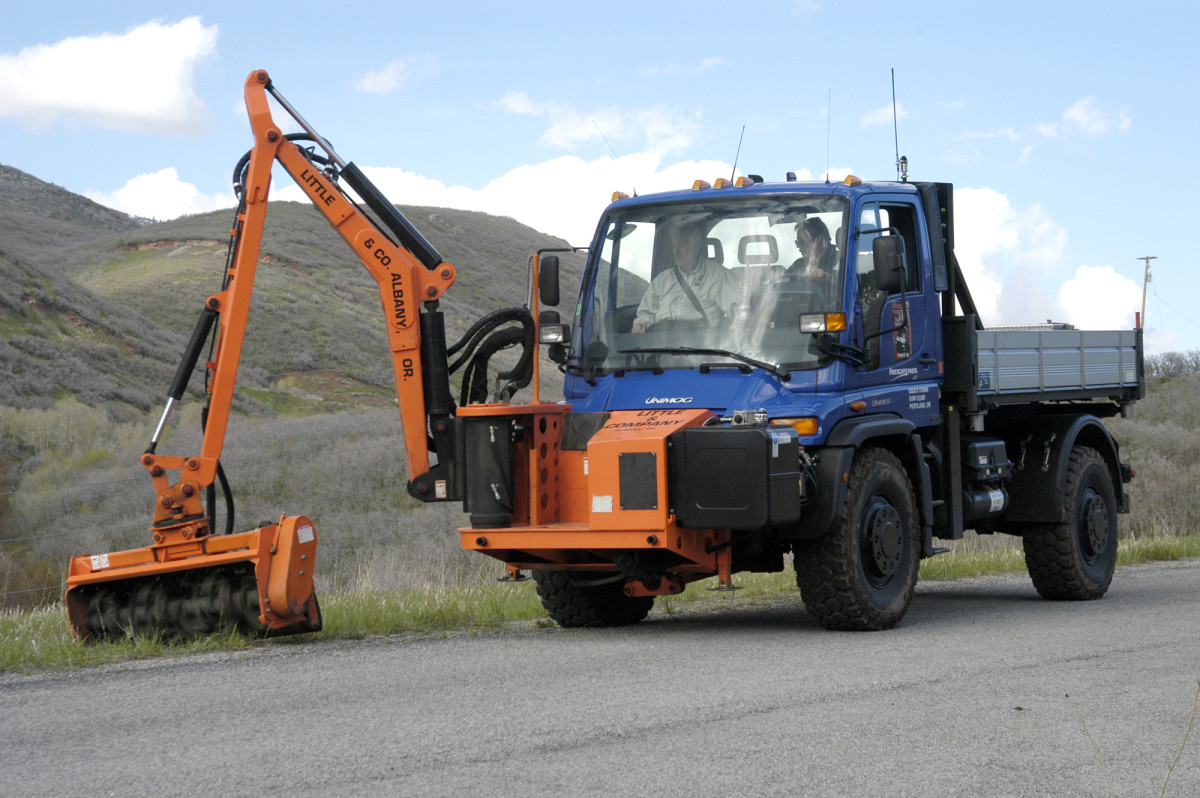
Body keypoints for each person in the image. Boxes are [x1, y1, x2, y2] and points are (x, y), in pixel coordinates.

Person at [631, 222, 739, 332]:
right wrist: (640, 325)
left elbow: (738, 313)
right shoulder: (662, 280)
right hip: (661, 341)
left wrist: (731, 338)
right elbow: (645, 315)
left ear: (696, 247)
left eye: (681, 245)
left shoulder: (718, 275)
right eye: (674, 246)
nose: (675, 251)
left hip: (701, 343)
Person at [786, 217, 838, 300]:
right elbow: (786, 283)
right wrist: (780, 275)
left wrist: (825, 277)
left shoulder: (839, 260)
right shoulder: (798, 264)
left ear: (818, 239)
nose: (798, 245)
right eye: (797, 241)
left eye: (802, 241)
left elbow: (843, 289)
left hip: (829, 310)